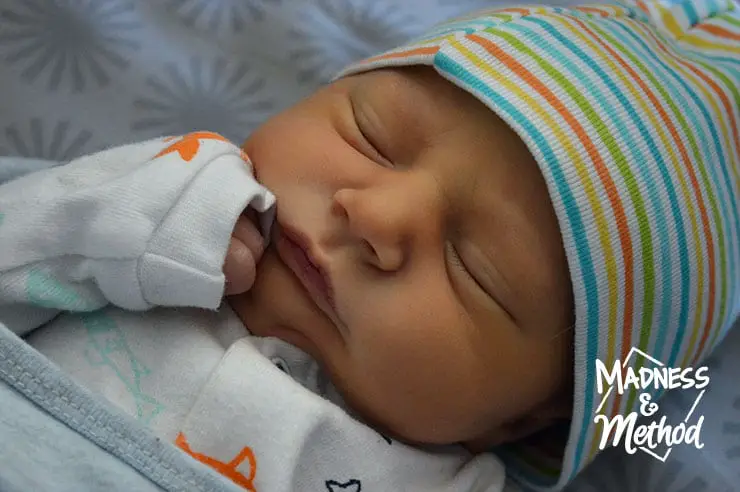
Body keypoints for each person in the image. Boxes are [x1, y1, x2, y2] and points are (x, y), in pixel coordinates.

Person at [0, 1, 737, 491]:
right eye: (371, 136)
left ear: (522, 419)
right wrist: (120, 222)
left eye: (474, 271)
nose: (375, 217)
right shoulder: (138, 198)